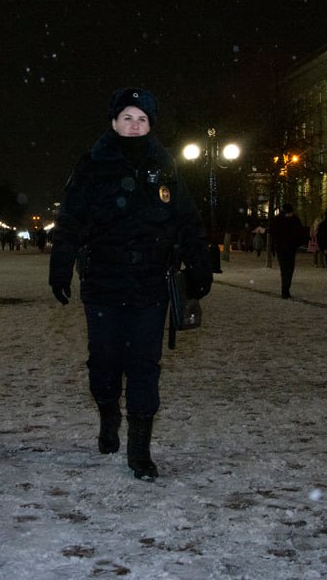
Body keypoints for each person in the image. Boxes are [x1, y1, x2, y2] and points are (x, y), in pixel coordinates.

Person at [49, 87, 211, 482]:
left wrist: (201, 263)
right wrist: (60, 263)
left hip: (150, 282)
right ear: (114, 123)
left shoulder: (166, 166)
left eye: (141, 119)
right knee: (104, 363)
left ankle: (140, 449)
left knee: (144, 365)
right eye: (127, 118)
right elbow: (70, 219)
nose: (134, 126)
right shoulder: (92, 165)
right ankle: (108, 413)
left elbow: (187, 219)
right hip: (104, 280)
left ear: (149, 125)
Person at [270, 204, 308, 299]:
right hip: (282, 249)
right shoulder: (278, 220)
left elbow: (300, 232)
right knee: (285, 270)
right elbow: (274, 233)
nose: (290, 214)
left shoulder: (294, 220)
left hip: (290, 248)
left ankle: (286, 289)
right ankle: (285, 290)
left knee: (289, 269)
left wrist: (297, 243)